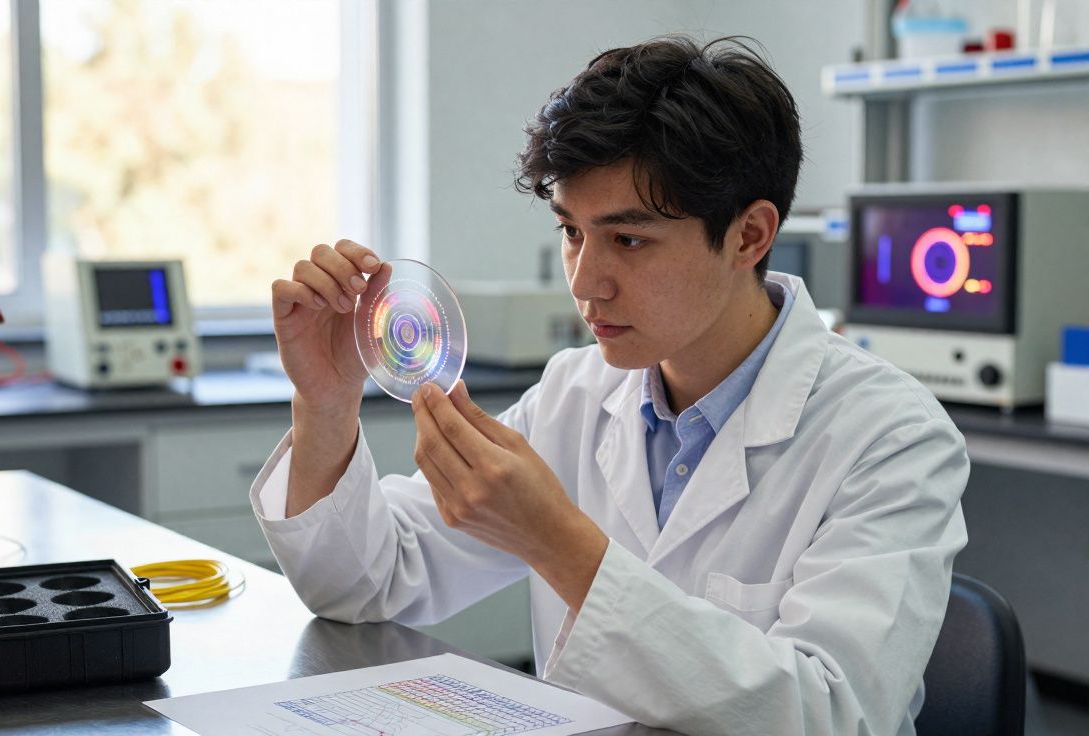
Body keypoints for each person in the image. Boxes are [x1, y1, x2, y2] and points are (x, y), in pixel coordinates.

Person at [252, 35, 967, 735]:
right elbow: (365, 586)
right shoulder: (577, 393)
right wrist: (327, 401)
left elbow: (835, 716)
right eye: (571, 232)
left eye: (628, 240)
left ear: (749, 235)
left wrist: (557, 541)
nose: (585, 283)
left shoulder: (891, 436)